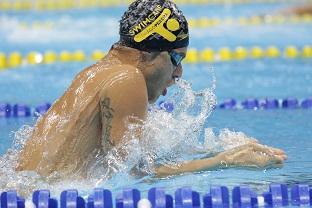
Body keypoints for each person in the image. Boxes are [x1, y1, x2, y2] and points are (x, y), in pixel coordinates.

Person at [16, 0, 287, 178]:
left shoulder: (97, 73)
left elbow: (123, 160)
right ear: (152, 53)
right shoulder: (127, 79)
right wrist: (225, 161)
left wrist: (218, 148)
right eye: (177, 59)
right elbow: (131, 176)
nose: (179, 73)